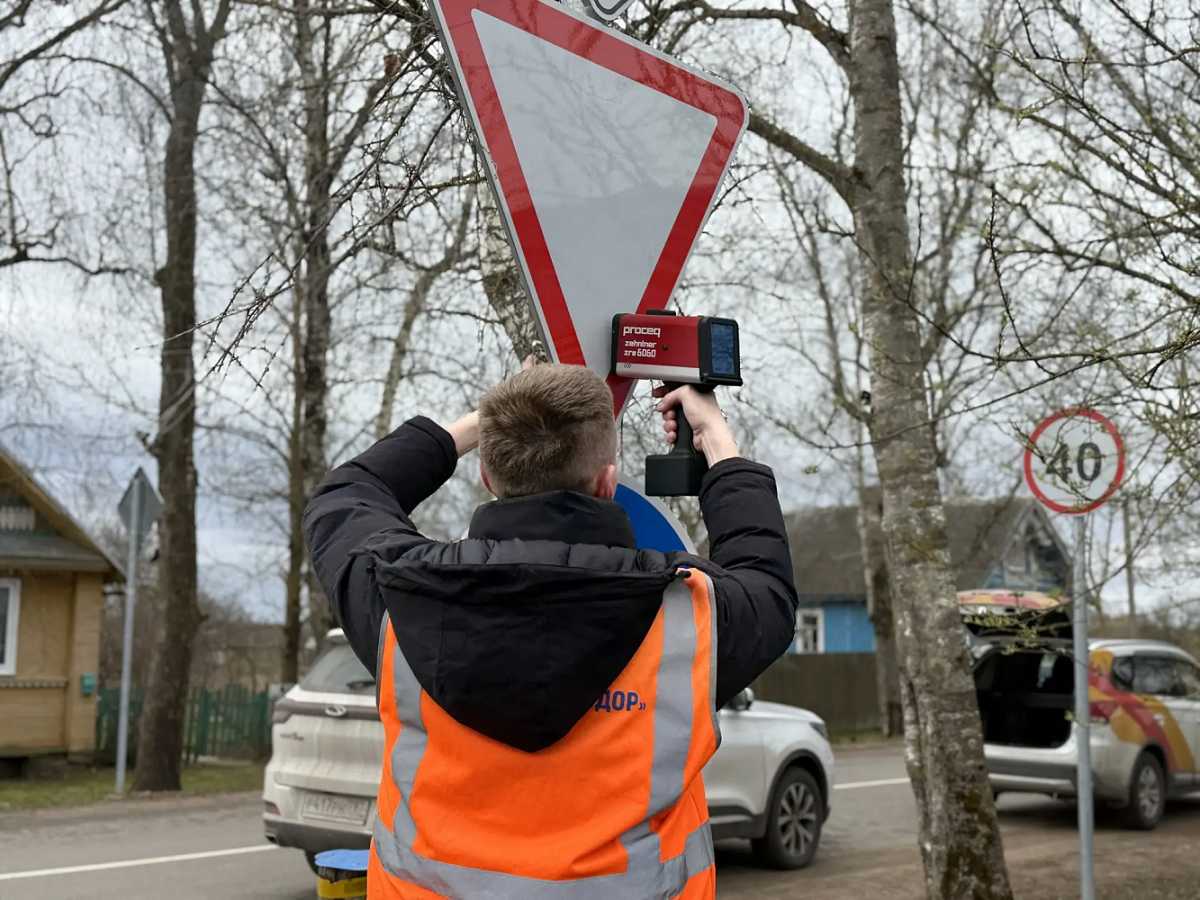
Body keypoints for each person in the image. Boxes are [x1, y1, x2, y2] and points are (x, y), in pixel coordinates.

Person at [304, 363, 797, 900]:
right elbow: (763, 573)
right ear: (608, 483)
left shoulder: (398, 598)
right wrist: (713, 436)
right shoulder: (689, 617)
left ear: (488, 479)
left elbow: (348, 492)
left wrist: (484, 421)